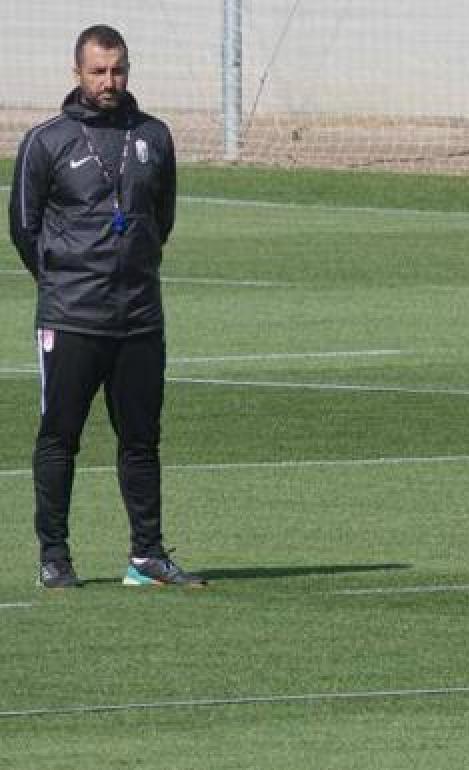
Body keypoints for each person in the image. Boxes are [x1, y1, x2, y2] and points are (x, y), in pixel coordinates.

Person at [8, 25, 204, 588]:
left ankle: (146, 557)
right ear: (77, 73)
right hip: (71, 317)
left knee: (142, 439)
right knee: (59, 436)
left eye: (117, 70)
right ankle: (54, 557)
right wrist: (66, 280)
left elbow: (160, 220)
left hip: (139, 317)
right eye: (98, 71)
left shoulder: (154, 136)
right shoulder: (47, 141)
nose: (109, 81)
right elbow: (24, 229)